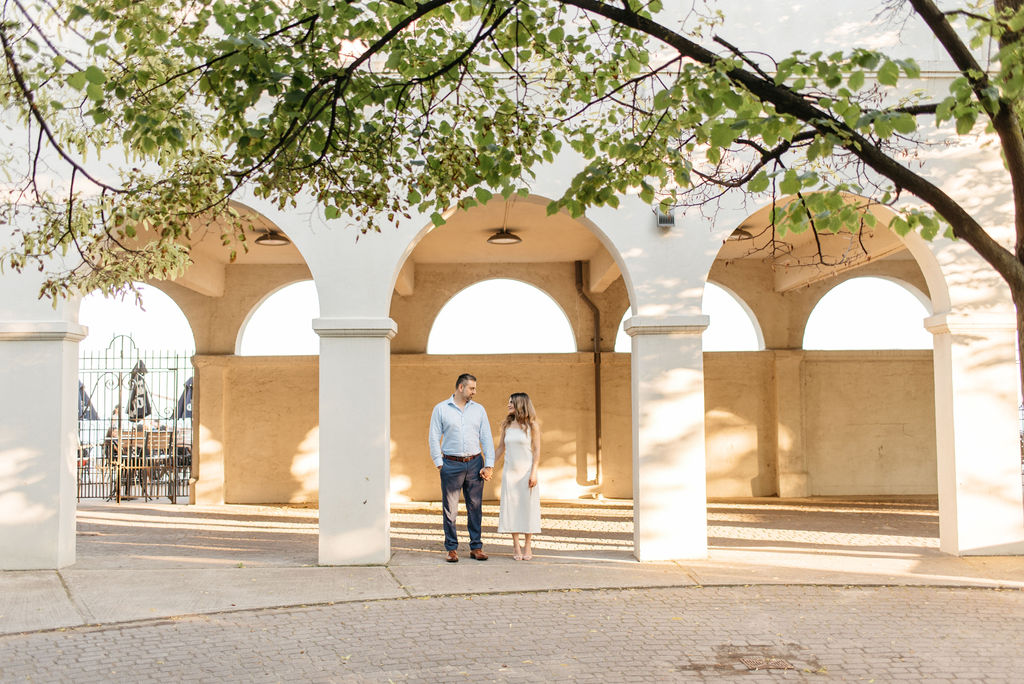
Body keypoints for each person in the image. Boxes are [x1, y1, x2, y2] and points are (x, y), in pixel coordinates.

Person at [428, 373, 495, 562]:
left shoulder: (479, 410)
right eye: (472, 388)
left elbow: (486, 438)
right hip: (450, 463)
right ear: (460, 387)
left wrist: (489, 464)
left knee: (475, 506)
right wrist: (439, 464)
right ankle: (451, 548)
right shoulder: (441, 409)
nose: (475, 392)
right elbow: (434, 437)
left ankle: (476, 547)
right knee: (450, 508)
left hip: (475, 464)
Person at [496, 392, 541, 560]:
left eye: (511, 403)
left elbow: (536, 452)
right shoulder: (506, 425)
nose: (508, 405)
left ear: (520, 404)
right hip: (510, 473)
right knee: (512, 509)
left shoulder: (532, 426)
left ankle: (528, 545)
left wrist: (534, 472)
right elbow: (501, 448)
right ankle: (516, 546)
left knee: (528, 508)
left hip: (527, 473)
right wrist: (489, 465)